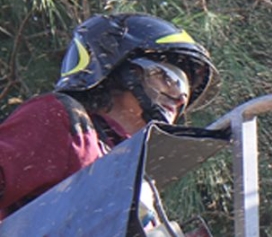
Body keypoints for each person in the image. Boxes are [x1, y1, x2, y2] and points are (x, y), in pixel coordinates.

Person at [0, 13, 219, 226]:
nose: (180, 97)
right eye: (170, 78)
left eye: (186, 90)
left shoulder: (133, 172)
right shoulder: (64, 121)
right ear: (123, 71)